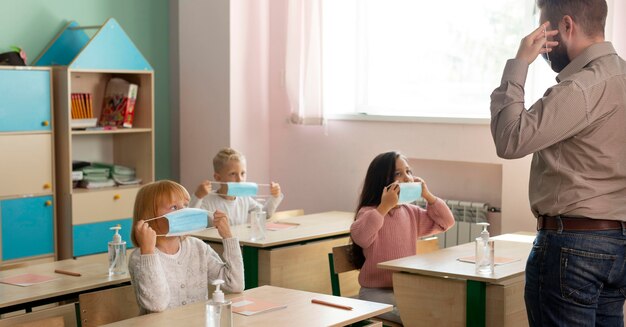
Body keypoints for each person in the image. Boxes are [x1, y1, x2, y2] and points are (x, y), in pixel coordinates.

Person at [490, 0, 626, 325]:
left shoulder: (581, 88)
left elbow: (509, 139)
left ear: (567, 26)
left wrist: (520, 61)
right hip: (617, 247)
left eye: (546, 35)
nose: (545, 49)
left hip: (572, 249)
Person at [350, 151, 455, 323]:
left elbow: (446, 222)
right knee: (421, 317)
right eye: (398, 174)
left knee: (443, 310)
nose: (407, 178)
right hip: (375, 293)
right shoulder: (369, 213)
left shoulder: (410, 212)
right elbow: (361, 237)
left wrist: (428, 196)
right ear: (381, 181)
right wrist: (384, 207)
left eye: (408, 171)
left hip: (405, 289)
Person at [128, 180, 244, 314]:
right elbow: (157, 304)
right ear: (150, 215)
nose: (184, 212)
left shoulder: (198, 247)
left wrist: (228, 237)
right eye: (174, 207)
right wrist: (148, 252)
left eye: (185, 205)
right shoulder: (140, 257)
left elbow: (235, 284)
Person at [190, 147, 284, 225]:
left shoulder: (244, 198)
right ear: (218, 178)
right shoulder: (208, 200)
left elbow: (265, 214)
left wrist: (275, 196)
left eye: (242, 173)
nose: (240, 179)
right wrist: (198, 196)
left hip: (238, 246)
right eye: (233, 174)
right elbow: (190, 220)